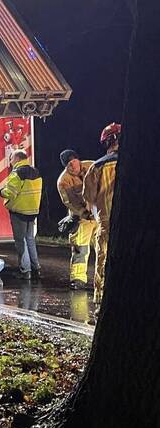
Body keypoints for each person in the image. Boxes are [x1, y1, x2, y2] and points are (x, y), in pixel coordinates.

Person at [82, 123, 120, 304]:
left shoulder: (97, 167)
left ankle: (102, 301)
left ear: (108, 142)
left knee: (103, 258)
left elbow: (88, 199)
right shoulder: (140, 164)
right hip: (136, 223)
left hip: (107, 221)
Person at [56, 149, 97, 289]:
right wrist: (84, 213)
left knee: (104, 248)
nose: (73, 165)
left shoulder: (92, 166)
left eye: (74, 161)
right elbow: (70, 202)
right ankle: (78, 279)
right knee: (81, 247)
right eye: (69, 164)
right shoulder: (63, 181)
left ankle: (103, 279)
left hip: (100, 215)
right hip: (82, 218)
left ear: (78, 160)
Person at [0, 149, 43, 280]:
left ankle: (25, 270)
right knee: (30, 240)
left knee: (21, 242)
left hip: (19, 211)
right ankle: (36, 269)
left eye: (11, 158)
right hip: (33, 211)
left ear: (17, 159)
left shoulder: (17, 173)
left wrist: (2, 192)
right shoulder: (35, 171)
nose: (10, 161)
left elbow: (10, 192)